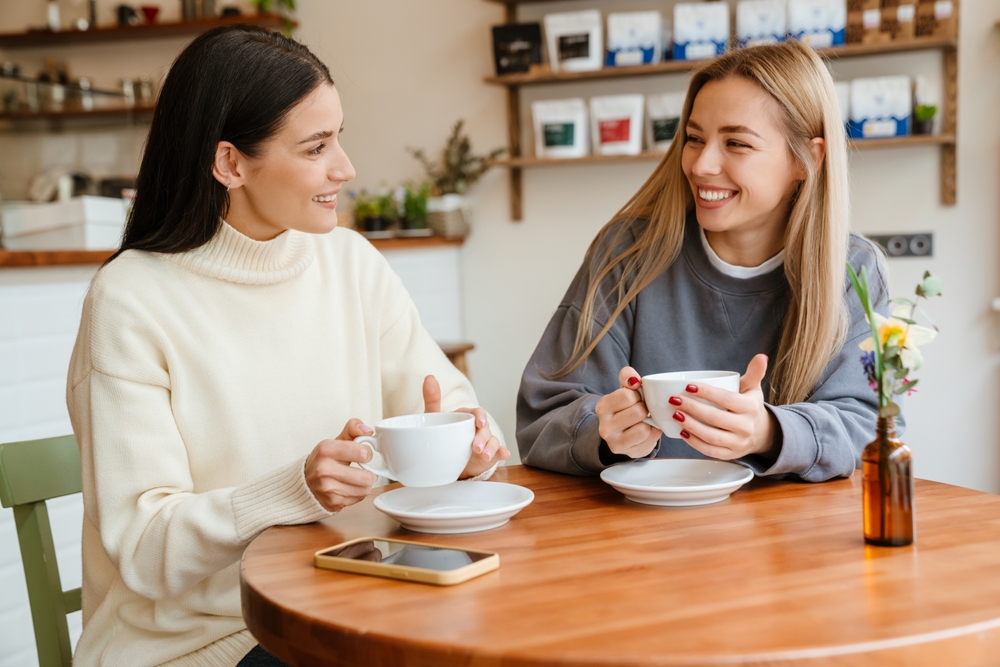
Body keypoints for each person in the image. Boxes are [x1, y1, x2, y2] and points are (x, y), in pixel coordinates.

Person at [66, 25, 508, 667]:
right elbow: (144, 548)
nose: (346, 168)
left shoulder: (352, 263)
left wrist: (467, 447)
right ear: (230, 164)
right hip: (203, 644)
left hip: (348, 609)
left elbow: (455, 407)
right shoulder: (131, 300)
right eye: (316, 147)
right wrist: (293, 489)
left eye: (339, 137)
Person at [516, 40, 891, 482]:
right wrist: (603, 432)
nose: (701, 165)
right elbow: (543, 414)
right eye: (694, 139)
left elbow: (872, 431)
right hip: (644, 520)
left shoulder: (853, 270)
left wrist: (769, 432)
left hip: (788, 525)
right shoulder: (628, 252)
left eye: (737, 143)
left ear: (807, 158)